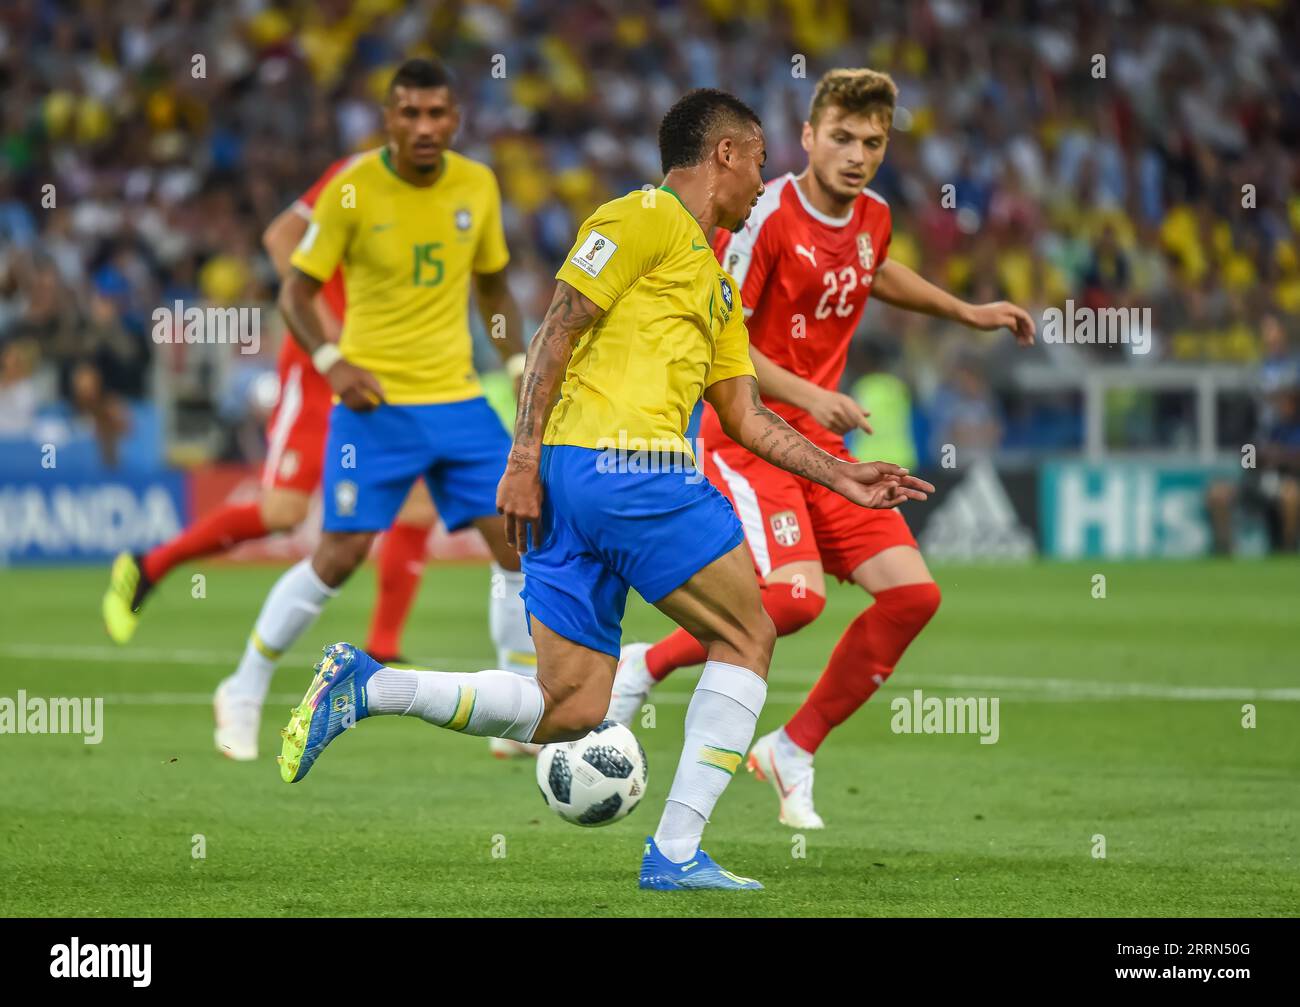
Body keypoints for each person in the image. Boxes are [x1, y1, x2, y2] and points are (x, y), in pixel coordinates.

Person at [276, 88, 933, 892]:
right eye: (759, 161)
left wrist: (843, 474)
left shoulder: (717, 287)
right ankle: (677, 852)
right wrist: (517, 457)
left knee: (572, 705)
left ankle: (370, 685)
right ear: (724, 153)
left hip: (569, 487)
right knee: (749, 635)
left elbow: (747, 417)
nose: (764, 182)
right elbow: (559, 322)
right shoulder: (643, 217)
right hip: (631, 470)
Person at [607, 69, 1034, 829]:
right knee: (796, 600)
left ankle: (793, 748)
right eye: (841, 137)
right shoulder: (766, 213)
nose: (857, 154)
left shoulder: (872, 215)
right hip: (750, 432)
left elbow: (874, 272)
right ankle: (647, 662)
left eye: (872, 142)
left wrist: (966, 312)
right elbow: (720, 337)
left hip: (819, 439)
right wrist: (807, 394)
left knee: (913, 595)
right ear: (807, 136)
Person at [221, 57, 536, 763]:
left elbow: (493, 289)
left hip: (457, 399)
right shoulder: (352, 187)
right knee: (337, 556)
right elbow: (295, 294)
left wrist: (517, 364)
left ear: (455, 119)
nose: (424, 127)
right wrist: (334, 363)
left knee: (518, 543)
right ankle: (242, 688)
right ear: (388, 119)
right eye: (410, 114)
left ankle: (518, 709)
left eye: (437, 114)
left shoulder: (477, 185)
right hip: (377, 408)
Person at [101, 155, 438, 690]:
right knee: (283, 511)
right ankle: (151, 565)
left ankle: (383, 648)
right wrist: (325, 334)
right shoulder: (359, 176)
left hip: (383, 366)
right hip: (317, 367)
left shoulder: (444, 195)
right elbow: (280, 237)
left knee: (419, 501)